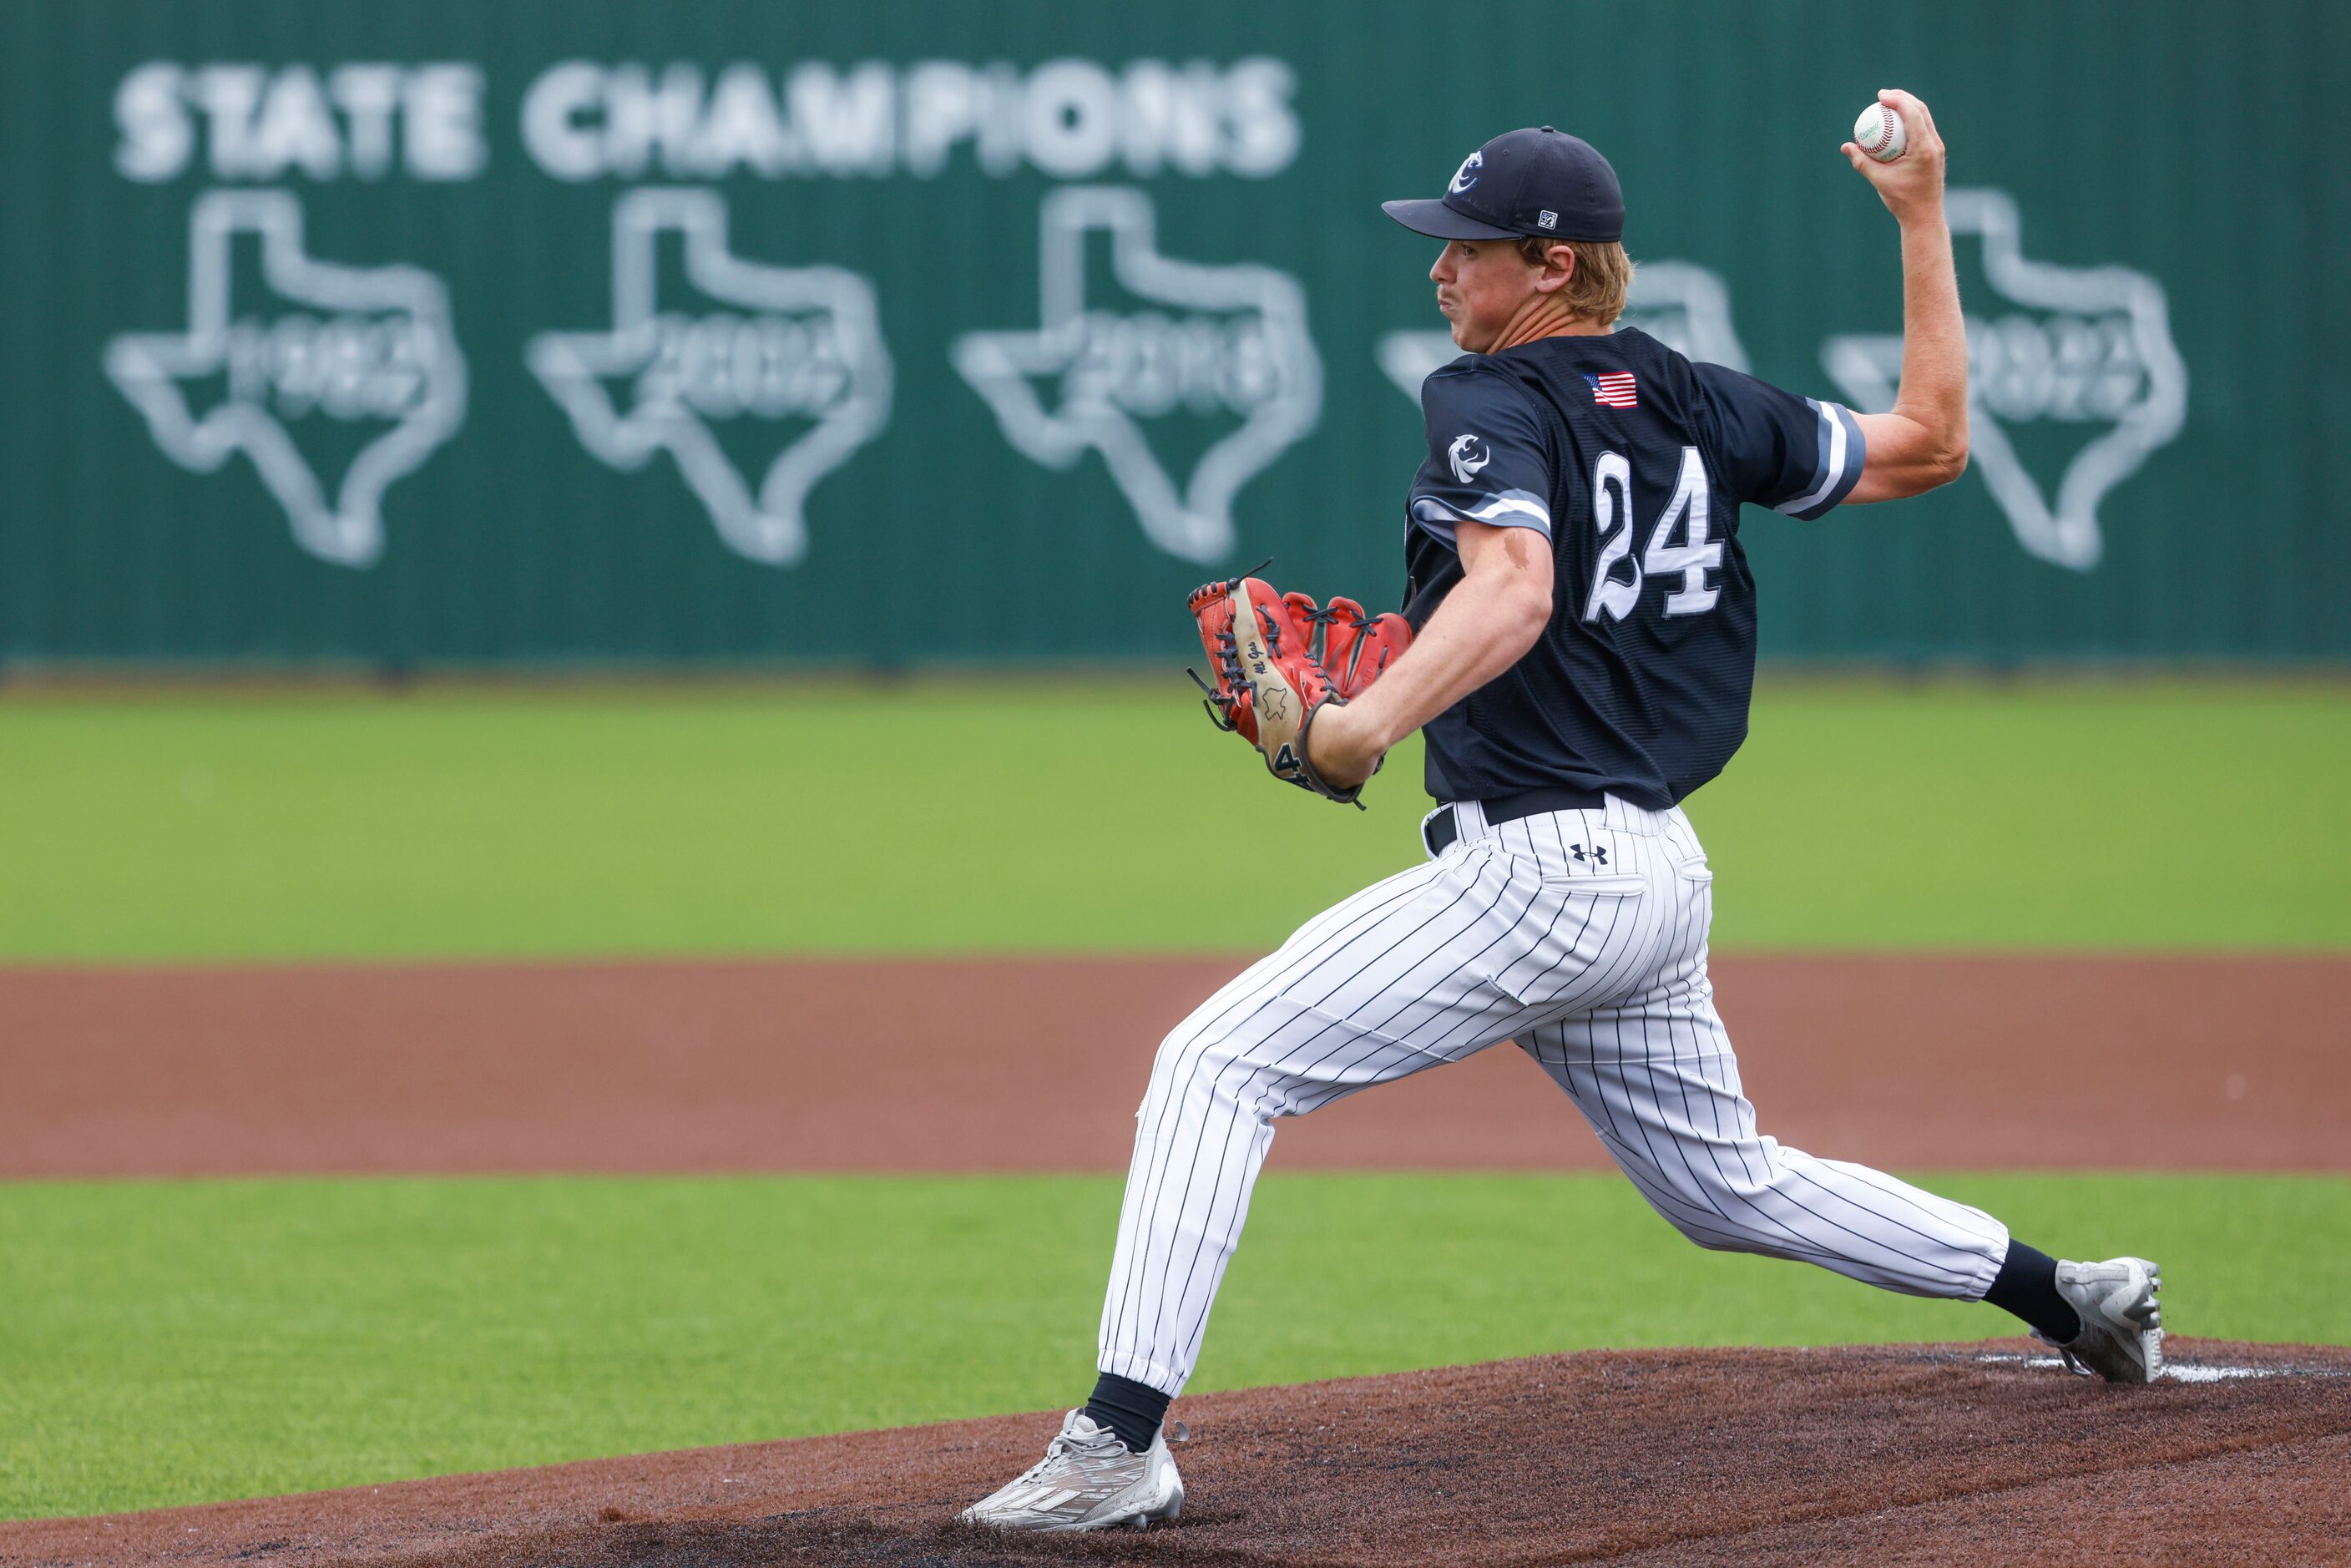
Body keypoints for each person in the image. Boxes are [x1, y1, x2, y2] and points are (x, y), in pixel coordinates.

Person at [961, 91, 2161, 1535]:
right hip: (1654, 871)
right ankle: (2067, 1295)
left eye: (1469, 245)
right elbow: (1931, 442)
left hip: (1540, 874)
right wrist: (1921, 220)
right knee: (1729, 1186)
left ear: (1551, 266)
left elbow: (1517, 589)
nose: (1439, 266)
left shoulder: (1488, 396)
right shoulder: (1695, 398)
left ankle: (1115, 1445)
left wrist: (1360, 727)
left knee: (1213, 1066)